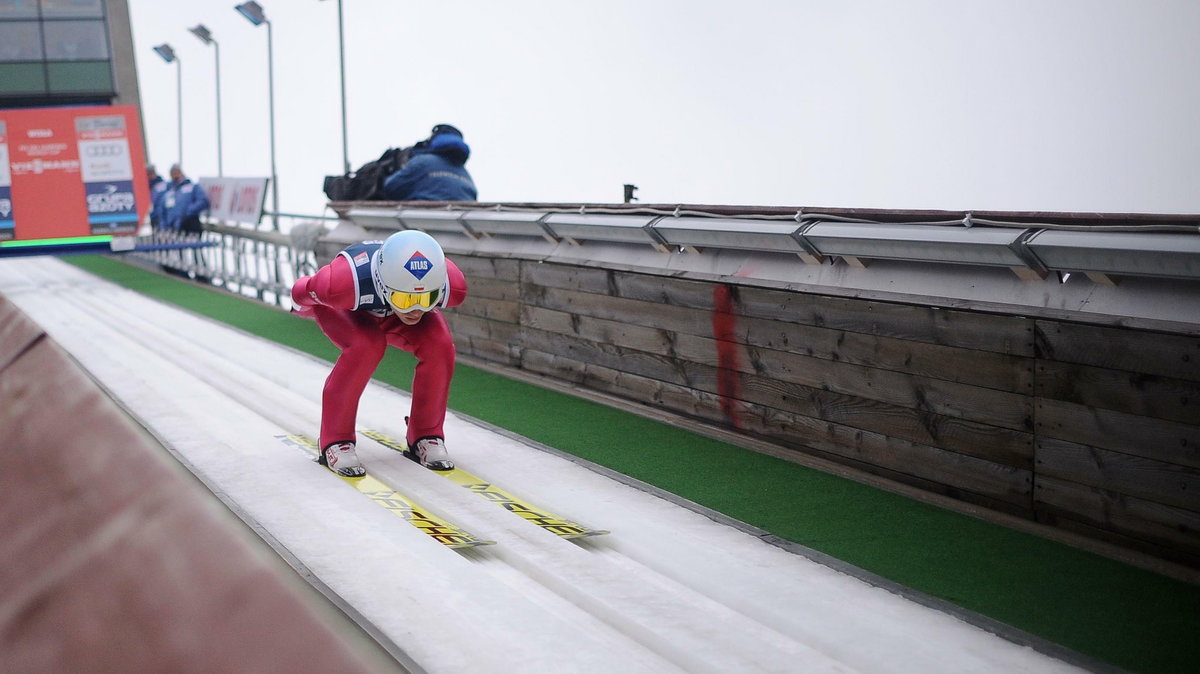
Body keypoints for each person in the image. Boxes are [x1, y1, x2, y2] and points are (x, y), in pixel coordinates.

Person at [289, 230, 467, 477]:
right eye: (406, 299)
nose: (415, 309)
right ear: (383, 284)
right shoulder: (340, 283)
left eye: (428, 298)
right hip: (349, 308)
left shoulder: (451, 284)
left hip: (388, 311)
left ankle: (426, 434)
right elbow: (302, 290)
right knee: (366, 345)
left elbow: (415, 305)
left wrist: (405, 303)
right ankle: (335, 440)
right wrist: (300, 308)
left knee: (440, 344)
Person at [382, 124, 478, 201]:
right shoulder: (466, 175)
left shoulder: (423, 161)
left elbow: (391, 187)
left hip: (425, 220)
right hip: (463, 222)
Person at [154, 164, 210, 234]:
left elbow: (203, 201)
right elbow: (161, 209)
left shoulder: (192, 187)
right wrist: (163, 225)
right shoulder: (168, 191)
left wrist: (188, 212)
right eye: (173, 173)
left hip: (189, 224)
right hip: (172, 226)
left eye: (177, 172)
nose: (175, 176)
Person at [146, 164, 168, 230]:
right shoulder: (145, 186)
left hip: (163, 215)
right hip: (152, 216)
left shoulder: (163, 185)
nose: (149, 176)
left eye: (151, 173)